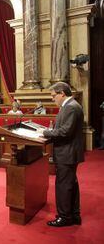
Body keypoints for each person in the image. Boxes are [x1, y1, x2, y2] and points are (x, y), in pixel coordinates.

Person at [38, 82, 84, 227]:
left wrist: (44, 132)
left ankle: (64, 217)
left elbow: (65, 131)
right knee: (71, 184)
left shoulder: (71, 107)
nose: (53, 99)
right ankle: (74, 214)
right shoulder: (70, 106)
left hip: (67, 153)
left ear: (62, 93)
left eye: (53, 96)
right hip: (68, 152)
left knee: (63, 185)